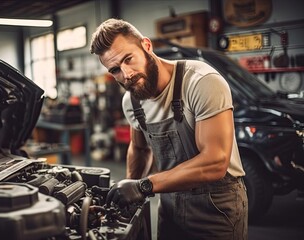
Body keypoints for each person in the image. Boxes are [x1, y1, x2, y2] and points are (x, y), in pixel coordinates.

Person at [90, 18, 248, 240]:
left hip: (216, 208)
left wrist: (144, 186)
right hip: (170, 206)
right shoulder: (132, 101)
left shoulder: (200, 81)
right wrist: (128, 190)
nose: (126, 75)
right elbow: (140, 148)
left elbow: (215, 161)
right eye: (115, 69)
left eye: (129, 59)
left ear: (146, 46)